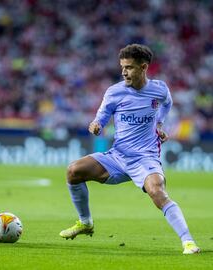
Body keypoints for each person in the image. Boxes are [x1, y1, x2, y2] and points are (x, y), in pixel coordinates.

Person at [59, 44, 200, 255]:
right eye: (122, 67)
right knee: (73, 171)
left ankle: (188, 242)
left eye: (130, 67)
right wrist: (96, 125)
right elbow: (102, 116)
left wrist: (159, 124)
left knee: (157, 191)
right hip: (117, 156)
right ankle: (85, 222)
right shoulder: (114, 92)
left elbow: (167, 103)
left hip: (145, 158)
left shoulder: (159, 89)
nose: (124, 72)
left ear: (144, 67)